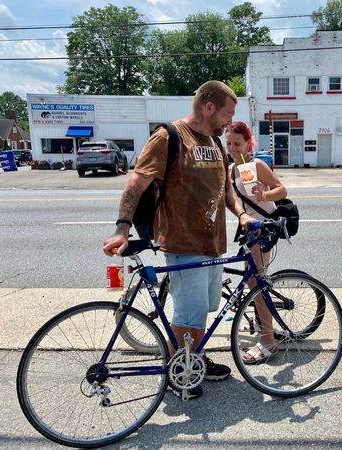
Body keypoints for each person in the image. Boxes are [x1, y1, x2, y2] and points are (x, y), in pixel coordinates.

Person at [103, 81, 255, 399]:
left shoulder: (215, 142)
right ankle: (179, 372)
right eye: (227, 113)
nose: (230, 121)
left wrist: (241, 215)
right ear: (208, 107)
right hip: (184, 244)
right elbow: (137, 182)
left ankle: (193, 358)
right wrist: (121, 228)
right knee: (188, 316)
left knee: (201, 313)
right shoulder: (169, 136)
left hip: (213, 244)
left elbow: (226, 189)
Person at [225, 121, 288, 364]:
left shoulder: (256, 165)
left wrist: (266, 194)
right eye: (229, 143)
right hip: (250, 227)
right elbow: (237, 199)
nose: (232, 148)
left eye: (237, 143)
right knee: (252, 281)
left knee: (256, 283)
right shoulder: (233, 170)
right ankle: (264, 327)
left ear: (248, 143)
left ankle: (269, 341)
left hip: (265, 227)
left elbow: (282, 191)